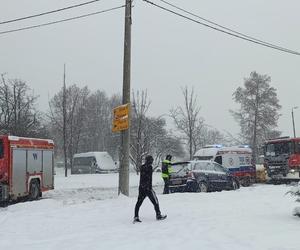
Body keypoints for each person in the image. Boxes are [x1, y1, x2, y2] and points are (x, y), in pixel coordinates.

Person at [133, 155, 167, 223]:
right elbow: (149, 178)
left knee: (139, 203)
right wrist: (149, 188)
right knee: (155, 201)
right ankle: (158, 215)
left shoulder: (142, 167)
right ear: (150, 161)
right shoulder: (150, 167)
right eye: (152, 160)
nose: (152, 162)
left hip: (141, 188)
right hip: (148, 188)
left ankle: (136, 217)